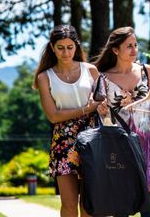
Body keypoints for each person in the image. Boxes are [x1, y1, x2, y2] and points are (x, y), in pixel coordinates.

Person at [92, 26, 150, 217]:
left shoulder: (146, 71)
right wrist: (101, 109)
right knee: (120, 196)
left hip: (145, 141)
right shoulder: (102, 77)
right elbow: (98, 110)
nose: (134, 50)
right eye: (128, 46)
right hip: (117, 143)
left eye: (135, 45)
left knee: (149, 195)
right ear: (115, 50)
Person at [33, 24, 102, 217]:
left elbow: (102, 103)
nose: (65, 52)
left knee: (89, 204)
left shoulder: (91, 70)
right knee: (69, 204)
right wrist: (86, 109)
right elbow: (53, 116)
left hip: (93, 139)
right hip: (63, 141)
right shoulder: (44, 77)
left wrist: (100, 107)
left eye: (70, 47)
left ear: (76, 47)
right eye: (61, 47)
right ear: (53, 48)